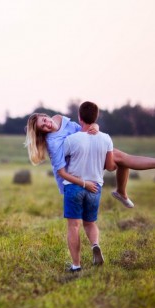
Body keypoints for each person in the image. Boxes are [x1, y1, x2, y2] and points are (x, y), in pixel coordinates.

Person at [24, 109, 155, 208]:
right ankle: (121, 192)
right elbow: (62, 170)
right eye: (43, 126)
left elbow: (83, 130)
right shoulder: (53, 142)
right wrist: (83, 183)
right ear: (42, 132)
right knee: (119, 158)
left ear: (46, 116)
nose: (47, 124)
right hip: (75, 168)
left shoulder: (60, 119)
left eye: (45, 120)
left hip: (85, 154)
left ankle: (121, 192)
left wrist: (95, 127)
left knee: (120, 157)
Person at [57, 101, 116, 271]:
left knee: (74, 226)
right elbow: (111, 166)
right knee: (90, 223)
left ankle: (76, 265)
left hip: (74, 186)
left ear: (79, 118)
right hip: (95, 187)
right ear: (96, 117)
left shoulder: (71, 139)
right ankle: (95, 244)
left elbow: (60, 161)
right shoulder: (106, 138)